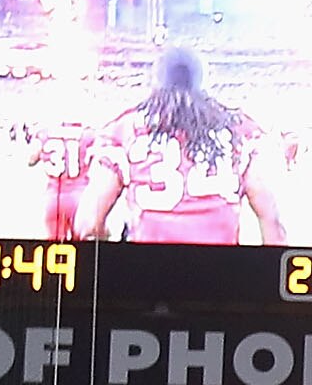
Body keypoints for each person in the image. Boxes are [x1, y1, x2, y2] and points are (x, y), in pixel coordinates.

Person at [75, 46, 286, 244]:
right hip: (221, 272)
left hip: (143, 271)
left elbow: (87, 224)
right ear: (204, 84)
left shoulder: (124, 129)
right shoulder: (241, 130)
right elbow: (272, 219)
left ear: (155, 83)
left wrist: (107, 239)